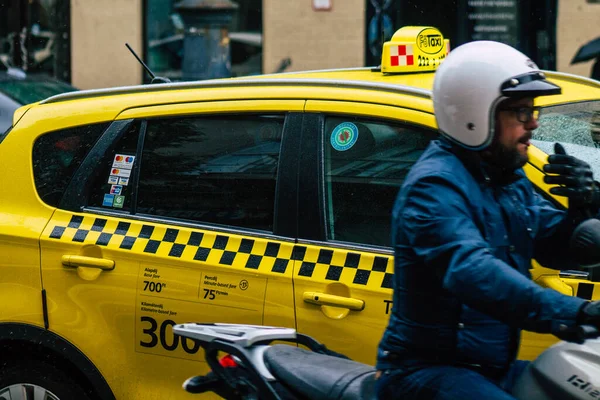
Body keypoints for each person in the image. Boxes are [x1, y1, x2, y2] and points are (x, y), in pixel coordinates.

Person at [375, 40, 600, 400]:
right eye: (522, 112)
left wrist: (584, 206)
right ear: (475, 115)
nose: (534, 123)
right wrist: (576, 311)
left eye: (534, 111)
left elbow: (555, 246)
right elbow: (473, 272)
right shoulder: (434, 187)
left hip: (494, 370)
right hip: (426, 373)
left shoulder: (504, 180)